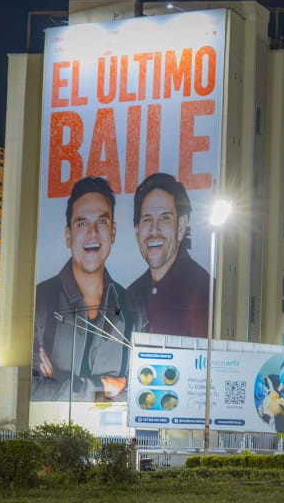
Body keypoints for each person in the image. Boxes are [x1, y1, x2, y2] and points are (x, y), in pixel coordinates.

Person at [32, 176, 136, 402]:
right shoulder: (40, 301)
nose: (92, 232)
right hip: (50, 423)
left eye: (101, 222)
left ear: (113, 232)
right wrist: (102, 387)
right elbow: (32, 388)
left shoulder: (131, 308)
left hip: (112, 426)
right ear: (68, 235)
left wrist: (59, 381)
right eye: (81, 223)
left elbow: (138, 391)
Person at [127, 172, 210, 338]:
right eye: (147, 219)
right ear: (136, 231)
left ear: (181, 226)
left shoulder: (204, 291)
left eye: (164, 218)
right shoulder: (132, 294)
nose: (154, 230)